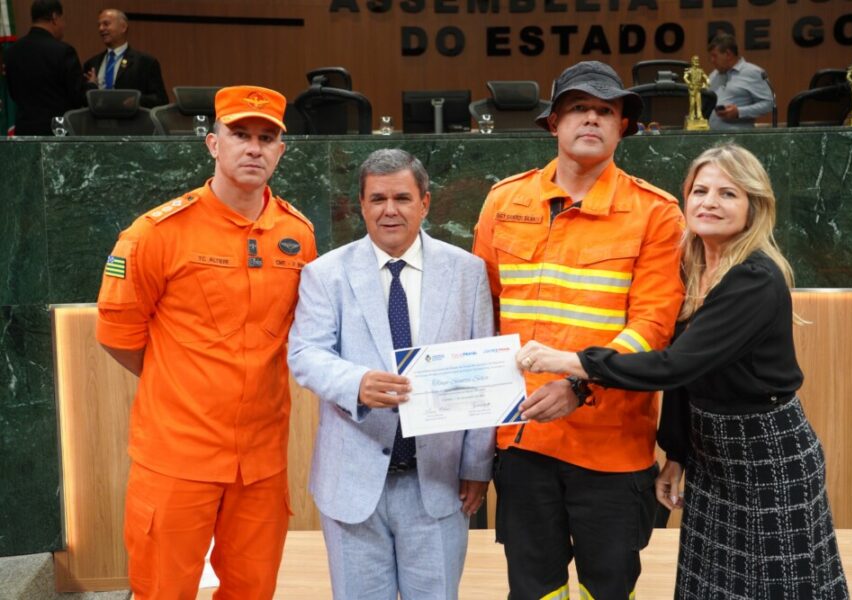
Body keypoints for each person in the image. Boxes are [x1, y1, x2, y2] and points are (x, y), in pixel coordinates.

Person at [516, 143, 849, 600]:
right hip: (713, 453)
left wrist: (571, 362)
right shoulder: (692, 267)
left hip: (767, 455)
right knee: (712, 584)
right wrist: (677, 453)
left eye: (728, 194)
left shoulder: (755, 277)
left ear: (755, 207)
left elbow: (675, 366)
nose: (710, 202)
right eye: (700, 190)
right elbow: (686, 380)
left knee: (775, 585)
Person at [472, 61, 685, 600]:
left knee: (607, 589)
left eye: (605, 111)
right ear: (554, 123)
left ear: (622, 128)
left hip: (613, 447)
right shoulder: (504, 202)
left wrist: (581, 383)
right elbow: (482, 316)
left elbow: (653, 328)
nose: (592, 119)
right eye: (578, 108)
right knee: (534, 589)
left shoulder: (657, 214)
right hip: (522, 440)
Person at [95, 85, 316, 598]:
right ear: (212, 143)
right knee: (163, 591)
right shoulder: (156, 234)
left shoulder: (298, 234)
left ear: (281, 151)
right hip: (178, 459)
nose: (253, 148)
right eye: (240, 134)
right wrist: (185, 387)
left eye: (267, 138)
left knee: (252, 590)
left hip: (260, 463)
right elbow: (118, 336)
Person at [288, 148, 494, 600]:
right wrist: (355, 383)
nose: (389, 210)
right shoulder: (325, 274)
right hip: (353, 482)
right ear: (361, 205)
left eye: (402, 197)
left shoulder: (468, 272)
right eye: (377, 199)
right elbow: (305, 353)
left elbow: (481, 373)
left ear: (425, 202)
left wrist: (477, 465)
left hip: (438, 483)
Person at [3, 0, 95, 135]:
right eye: (63, 19)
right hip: (57, 131)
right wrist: (92, 85)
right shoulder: (63, 51)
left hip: (24, 131)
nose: (64, 25)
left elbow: (13, 93)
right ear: (55, 18)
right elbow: (78, 97)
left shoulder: (12, 51)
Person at [83, 8, 169, 108]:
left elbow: (161, 99)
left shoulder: (145, 62)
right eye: (99, 25)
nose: (101, 29)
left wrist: (137, 100)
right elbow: (82, 101)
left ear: (123, 27)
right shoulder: (91, 64)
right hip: (99, 122)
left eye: (106, 24)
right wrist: (91, 87)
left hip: (130, 121)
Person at [707, 33, 774, 130]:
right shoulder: (713, 75)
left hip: (739, 139)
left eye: (714, 56)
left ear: (728, 54)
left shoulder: (753, 72)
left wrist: (739, 112)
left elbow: (769, 104)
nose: (712, 60)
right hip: (711, 139)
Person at [683, 55, 709, 122]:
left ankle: (699, 116)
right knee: (692, 103)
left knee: (699, 103)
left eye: (697, 60)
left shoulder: (700, 70)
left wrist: (707, 82)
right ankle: (691, 116)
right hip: (692, 88)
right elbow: (685, 77)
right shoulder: (690, 70)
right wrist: (689, 84)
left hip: (698, 88)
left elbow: (706, 77)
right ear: (692, 61)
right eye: (695, 60)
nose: (697, 61)